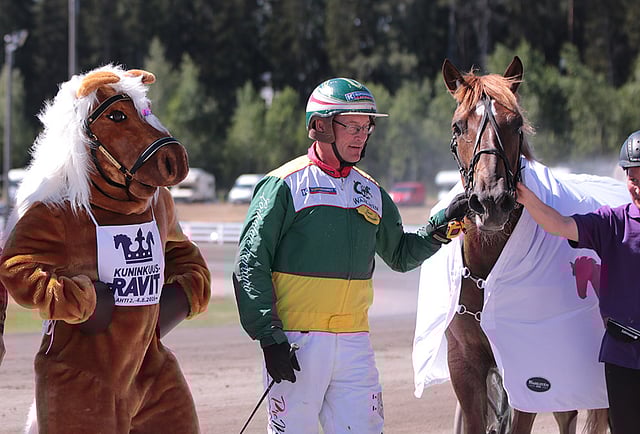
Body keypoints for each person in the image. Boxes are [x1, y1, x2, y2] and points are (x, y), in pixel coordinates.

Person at [232, 77, 468, 433]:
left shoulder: (371, 191)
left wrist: (441, 226)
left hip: (355, 342)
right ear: (321, 126)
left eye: (366, 126)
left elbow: (401, 254)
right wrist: (269, 336)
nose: (362, 135)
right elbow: (251, 262)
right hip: (294, 343)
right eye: (352, 126)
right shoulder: (283, 185)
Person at [516, 130, 640, 434]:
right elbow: (560, 225)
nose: (637, 187)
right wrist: (525, 196)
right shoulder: (613, 223)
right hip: (623, 356)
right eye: (632, 178)